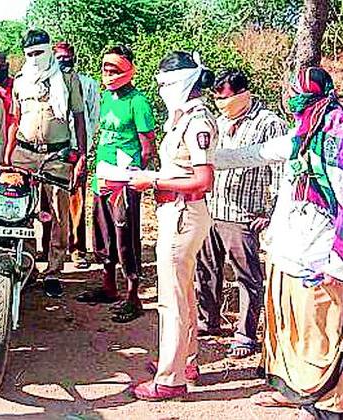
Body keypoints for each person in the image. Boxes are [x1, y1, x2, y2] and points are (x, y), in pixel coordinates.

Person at [215, 67, 343, 420]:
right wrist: (200, 160)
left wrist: (337, 263)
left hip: (320, 258)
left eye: (299, 94)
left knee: (320, 333)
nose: (294, 101)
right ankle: (298, 394)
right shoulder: (300, 136)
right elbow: (252, 154)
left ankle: (326, 404)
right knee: (290, 329)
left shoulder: (335, 139)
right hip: (288, 251)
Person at [128, 51, 217, 400]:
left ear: (183, 82)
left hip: (183, 213)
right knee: (184, 293)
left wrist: (151, 180)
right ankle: (185, 361)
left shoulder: (197, 123)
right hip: (178, 211)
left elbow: (203, 180)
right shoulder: (184, 118)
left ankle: (170, 378)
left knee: (172, 300)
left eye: (166, 84)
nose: (162, 90)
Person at [194, 69, 287, 358]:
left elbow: (280, 171)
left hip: (245, 213)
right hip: (213, 206)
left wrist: (270, 212)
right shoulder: (218, 122)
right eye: (217, 98)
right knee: (205, 269)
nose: (221, 103)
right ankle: (208, 320)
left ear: (243, 93)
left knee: (247, 277)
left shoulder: (270, 124)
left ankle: (245, 335)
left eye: (226, 98)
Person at [4, 29, 88, 298]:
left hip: (57, 155)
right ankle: (26, 265)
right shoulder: (21, 81)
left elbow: (79, 117)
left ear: (49, 50)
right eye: (30, 53)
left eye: (40, 52)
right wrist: (8, 155)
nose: (35, 57)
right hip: (25, 153)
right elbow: (15, 119)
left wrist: (82, 155)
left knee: (59, 213)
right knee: (21, 211)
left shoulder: (67, 79)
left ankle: (53, 270)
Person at [76, 45, 156, 324]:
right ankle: (108, 286)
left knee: (126, 237)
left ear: (129, 71)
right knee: (103, 234)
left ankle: (133, 296)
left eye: (115, 70)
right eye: (105, 70)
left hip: (125, 181)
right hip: (102, 176)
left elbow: (147, 147)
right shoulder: (105, 99)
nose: (109, 75)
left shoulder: (138, 102)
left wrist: (135, 176)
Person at [53, 41, 100, 269]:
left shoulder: (89, 84)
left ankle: (78, 250)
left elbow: (93, 118)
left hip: (76, 150)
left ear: (74, 58)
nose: (64, 61)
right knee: (51, 202)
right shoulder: (48, 83)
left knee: (76, 200)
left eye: (67, 56)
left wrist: (83, 150)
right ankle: (50, 248)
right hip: (53, 152)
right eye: (59, 57)